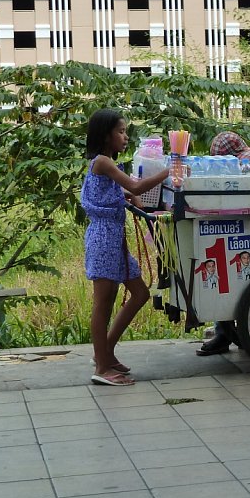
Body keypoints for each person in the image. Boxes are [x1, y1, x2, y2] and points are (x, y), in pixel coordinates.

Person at [82, 109, 171, 386]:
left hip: (114, 238)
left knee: (140, 293)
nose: (125, 136)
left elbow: (123, 191)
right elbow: (135, 185)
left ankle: (105, 353)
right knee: (103, 303)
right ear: (106, 135)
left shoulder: (107, 165)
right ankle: (102, 367)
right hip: (104, 239)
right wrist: (169, 171)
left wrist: (130, 198)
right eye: (121, 131)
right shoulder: (103, 162)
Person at [196, 132, 250, 356]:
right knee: (224, 278)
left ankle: (224, 333)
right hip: (245, 231)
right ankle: (223, 333)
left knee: (225, 279)